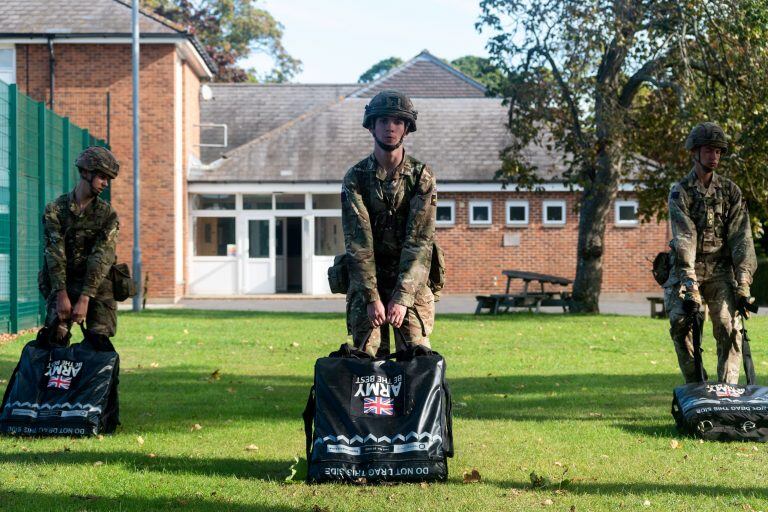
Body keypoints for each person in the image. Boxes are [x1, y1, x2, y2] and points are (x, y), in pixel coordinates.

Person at [341, 90, 437, 357]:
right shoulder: (356, 178)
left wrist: (402, 299)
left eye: (397, 121)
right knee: (365, 365)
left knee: (418, 364)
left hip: (411, 283)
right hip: (366, 283)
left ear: (407, 127)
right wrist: (372, 298)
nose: (390, 127)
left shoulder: (421, 176)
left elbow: (419, 241)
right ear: (371, 125)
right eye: (383, 120)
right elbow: (358, 242)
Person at [664, 122, 757, 384]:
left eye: (718, 152)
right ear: (695, 152)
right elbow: (685, 237)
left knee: (729, 327)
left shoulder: (730, 191)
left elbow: (742, 238)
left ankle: (728, 393)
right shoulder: (680, 192)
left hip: (719, 271)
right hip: (686, 270)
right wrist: (689, 284)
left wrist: (743, 284)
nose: (714, 157)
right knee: (682, 326)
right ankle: (697, 389)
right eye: (708, 151)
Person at [41, 146, 120, 341]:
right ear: (85, 172)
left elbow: (102, 257)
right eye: (102, 177)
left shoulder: (108, 215)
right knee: (54, 339)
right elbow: (54, 252)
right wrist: (61, 294)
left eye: (108, 179)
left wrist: (85, 298)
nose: (106, 184)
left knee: (99, 342)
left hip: (97, 285)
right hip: (63, 282)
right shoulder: (55, 210)